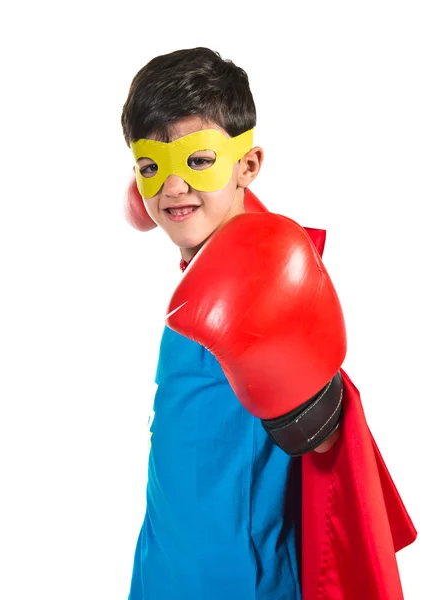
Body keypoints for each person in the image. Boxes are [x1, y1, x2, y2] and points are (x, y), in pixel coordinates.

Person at [120, 47, 416, 600]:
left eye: (199, 160)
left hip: (238, 583)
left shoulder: (261, 280)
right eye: (150, 167)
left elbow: (327, 444)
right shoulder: (200, 266)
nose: (173, 187)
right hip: (161, 565)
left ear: (248, 166)